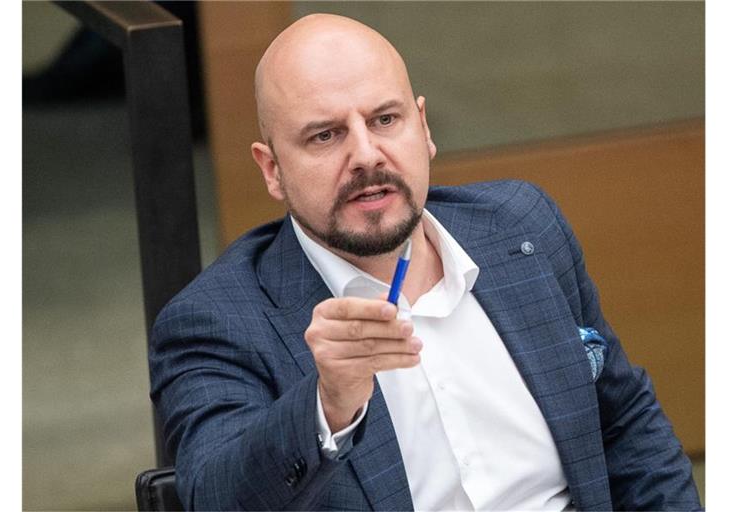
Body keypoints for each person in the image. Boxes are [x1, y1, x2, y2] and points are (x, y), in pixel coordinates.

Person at [150, 13, 702, 511]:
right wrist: (328, 404)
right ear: (271, 169)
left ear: (424, 127)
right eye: (326, 135)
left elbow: (626, 426)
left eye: (385, 120)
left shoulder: (523, 226)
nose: (366, 154)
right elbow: (215, 497)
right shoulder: (217, 321)